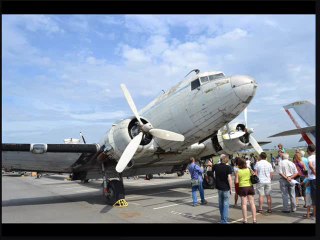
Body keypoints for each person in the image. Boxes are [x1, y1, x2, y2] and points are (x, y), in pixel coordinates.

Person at [212, 154, 233, 224]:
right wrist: (231, 189)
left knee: (221, 204)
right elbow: (229, 179)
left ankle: (222, 218)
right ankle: (224, 220)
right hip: (226, 188)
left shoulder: (216, 166)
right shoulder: (228, 167)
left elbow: (212, 171)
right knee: (226, 204)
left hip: (219, 187)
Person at [235, 158, 257, 223]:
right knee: (252, 203)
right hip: (250, 186)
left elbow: (236, 182)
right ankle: (254, 219)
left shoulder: (238, 171)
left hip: (242, 187)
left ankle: (245, 220)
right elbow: (254, 175)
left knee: (244, 204)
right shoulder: (249, 169)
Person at [306, 144, 316, 218]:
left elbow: (310, 166)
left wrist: (315, 173)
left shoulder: (310, 157)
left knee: (314, 197)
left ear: (309, 150)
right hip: (312, 179)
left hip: (313, 179)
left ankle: (315, 215)